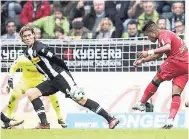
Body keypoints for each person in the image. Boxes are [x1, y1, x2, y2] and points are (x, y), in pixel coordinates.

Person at [17, 25, 119, 129]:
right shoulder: (27, 53)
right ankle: (44, 124)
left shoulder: (40, 47)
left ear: (34, 35)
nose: (27, 38)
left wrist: (66, 74)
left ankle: (110, 119)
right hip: (51, 80)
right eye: (25, 36)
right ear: (22, 38)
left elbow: (57, 59)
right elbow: (40, 66)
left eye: (29, 35)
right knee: (31, 93)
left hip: (61, 77)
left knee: (81, 100)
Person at [132, 21, 188, 129]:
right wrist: (142, 60)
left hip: (177, 60)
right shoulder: (165, 36)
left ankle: (141, 103)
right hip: (186, 65)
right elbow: (158, 55)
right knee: (176, 93)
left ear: (152, 32)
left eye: (147, 36)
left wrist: (148, 52)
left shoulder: (163, 35)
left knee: (156, 79)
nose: (148, 38)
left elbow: (167, 47)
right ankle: (170, 120)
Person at [6, 55, 67, 128]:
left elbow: (54, 68)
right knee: (14, 95)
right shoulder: (22, 58)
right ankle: (8, 118)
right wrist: (10, 79)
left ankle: (60, 118)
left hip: (40, 81)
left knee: (53, 96)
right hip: (25, 82)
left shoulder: (43, 58)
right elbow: (13, 67)